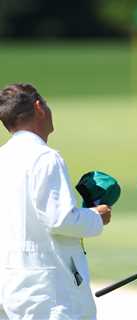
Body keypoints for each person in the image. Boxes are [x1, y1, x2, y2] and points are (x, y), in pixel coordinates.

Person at [0, 84, 112, 320]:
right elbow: (60, 219)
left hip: (10, 282)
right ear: (39, 107)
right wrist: (97, 215)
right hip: (47, 288)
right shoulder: (45, 157)